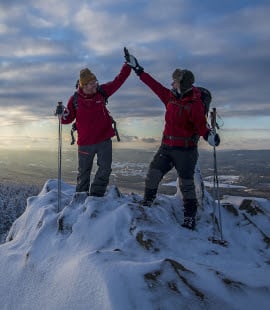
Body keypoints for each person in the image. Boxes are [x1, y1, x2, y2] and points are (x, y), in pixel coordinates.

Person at [124, 47, 220, 230]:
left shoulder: (195, 104)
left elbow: (201, 126)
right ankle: (148, 202)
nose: (172, 83)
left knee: (187, 185)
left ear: (182, 84)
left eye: (175, 81)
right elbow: (154, 85)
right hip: (167, 147)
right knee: (153, 174)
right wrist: (138, 70)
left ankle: (190, 217)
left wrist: (210, 136)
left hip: (186, 150)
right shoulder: (170, 97)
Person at [60, 61, 131, 197]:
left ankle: (96, 196)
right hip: (85, 143)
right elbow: (66, 120)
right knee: (83, 173)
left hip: (104, 140)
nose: (96, 85)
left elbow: (118, 81)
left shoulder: (102, 92)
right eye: (92, 83)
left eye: (96, 82)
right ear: (84, 85)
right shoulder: (75, 100)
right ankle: (80, 197)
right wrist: (60, 114)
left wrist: (127, 66)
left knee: (105, 169)